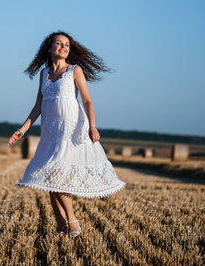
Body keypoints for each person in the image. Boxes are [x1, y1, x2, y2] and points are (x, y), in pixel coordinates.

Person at [8, 31, 126, 238]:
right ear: (49, 47)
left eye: (67, 45)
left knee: (56, 175)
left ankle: (71, 220)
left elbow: (88, 101)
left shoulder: (75, 70)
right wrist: (22, 129)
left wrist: (93, 126)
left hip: (71, 130)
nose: (63, 47)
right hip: (50, 131)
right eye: (59, 43)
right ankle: (61, 224)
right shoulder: (44, 74)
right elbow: (38, 107)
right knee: (49, 178)